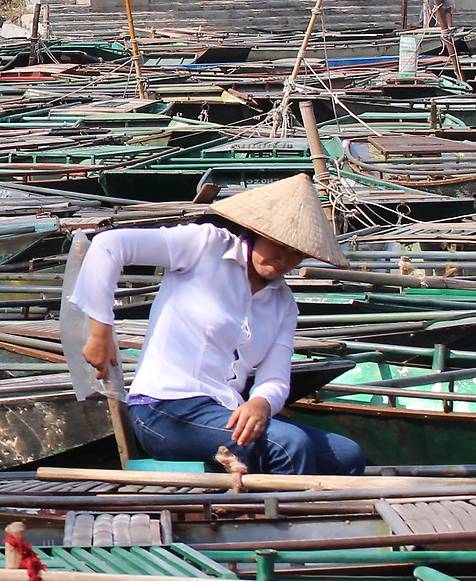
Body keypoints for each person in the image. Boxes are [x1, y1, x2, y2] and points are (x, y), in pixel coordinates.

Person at [71, 173, 367, 477]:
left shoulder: (283, 303)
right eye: (279, 244)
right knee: (289, 445)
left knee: (347, 454)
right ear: (258, 231)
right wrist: (100, 331)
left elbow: (275, 375)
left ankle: (311, 514)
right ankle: (282, 520)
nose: (284, 259)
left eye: (297, 254)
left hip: (224, 411)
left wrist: (261, 404)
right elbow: (108, 246)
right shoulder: (205, 244)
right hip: (164, 409)